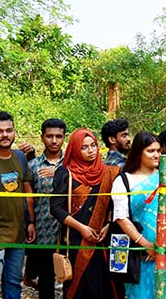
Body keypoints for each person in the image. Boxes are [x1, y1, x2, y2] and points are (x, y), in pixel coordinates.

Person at [50, 128, 120, 299]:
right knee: (80, 288)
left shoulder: (110, 172)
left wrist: (108, 225)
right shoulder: (65, 173)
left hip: (102, 240)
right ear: (74, 149)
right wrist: (82, 228)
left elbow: (114, 204)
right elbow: (56, 208)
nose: (91, 151)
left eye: (93, 145)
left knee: (105, 287)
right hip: (76, 239)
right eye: (84, 147)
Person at [111, 132, 166, 299]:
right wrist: (146, 245)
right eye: (151, 151)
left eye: (158, 150)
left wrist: (161, 243)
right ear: (138, 152)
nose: (157, 155)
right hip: (137, 250)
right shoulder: (124, 180)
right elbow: (121, 217)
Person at [0, 111, 37, 299]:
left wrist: (30, 222)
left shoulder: (20, 157)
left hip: (18, 236)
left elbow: (27, 192)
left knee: (13, 285)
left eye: (9, 130)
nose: (5, 135)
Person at [24, 118, 66, 299]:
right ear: (42, 137)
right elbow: (29, 198)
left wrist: (60, 174)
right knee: (46, 278)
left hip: (69, 229)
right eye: (50, 136)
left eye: (59, 136)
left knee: (70, 275)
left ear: (65, 137)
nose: (54, 141)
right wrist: (31, 222)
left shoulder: (72, 164)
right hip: (43, 229)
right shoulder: (33, 166)